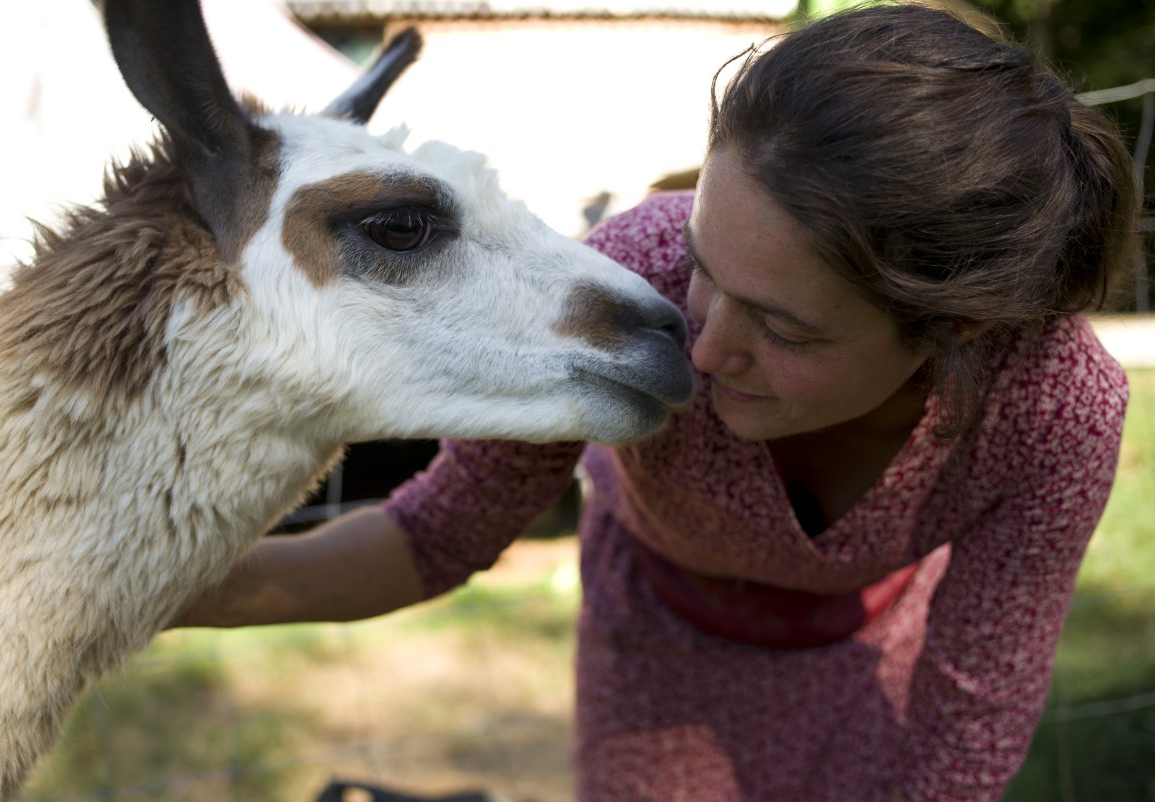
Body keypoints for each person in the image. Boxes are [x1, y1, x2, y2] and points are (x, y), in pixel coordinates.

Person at [175, 4, 1140, 800]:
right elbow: (440, 532)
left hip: (869, 653)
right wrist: (165, 592)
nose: (703, 351)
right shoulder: (636, 276)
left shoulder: (1051, 409)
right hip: (655, 645)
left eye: (786, 330)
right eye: (707, 266)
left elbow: (970, 720)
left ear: (956, 328)